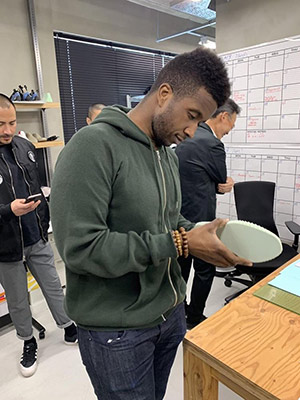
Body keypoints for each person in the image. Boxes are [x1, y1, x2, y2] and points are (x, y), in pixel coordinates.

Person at [50, 47, 251, 400]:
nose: (191, 131)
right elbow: (81, 248)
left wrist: (203, 235)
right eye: (190, 116)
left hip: (168, 316)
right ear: (164, 94)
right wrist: (180, 243)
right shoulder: (93, 147)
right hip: (117, 332)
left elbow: (171, 219)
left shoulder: (164, 156)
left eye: (200, 122)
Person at [0, 94, 77, 378]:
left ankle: (68, 326)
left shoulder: (25, 146)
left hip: (35, 236)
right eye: (0, 124)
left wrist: (43, 224)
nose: (7, 130)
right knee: (18, 300)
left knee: (53, 286)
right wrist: (9, 210)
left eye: (12, 123)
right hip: (5, 246)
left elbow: (38, 188)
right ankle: (28, 340)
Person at [175, 99, 241, 329]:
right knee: (205, 269)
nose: (228, 131)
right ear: (224, 116)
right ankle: (194, 317)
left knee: (180, 268)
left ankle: (177, 313)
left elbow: (193, 175)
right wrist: (226, 183)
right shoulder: (212, 143)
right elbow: (221, 179)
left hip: (177, 215)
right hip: (199, 217)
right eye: (230, 125)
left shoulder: (187, 136)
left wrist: (217, 184)